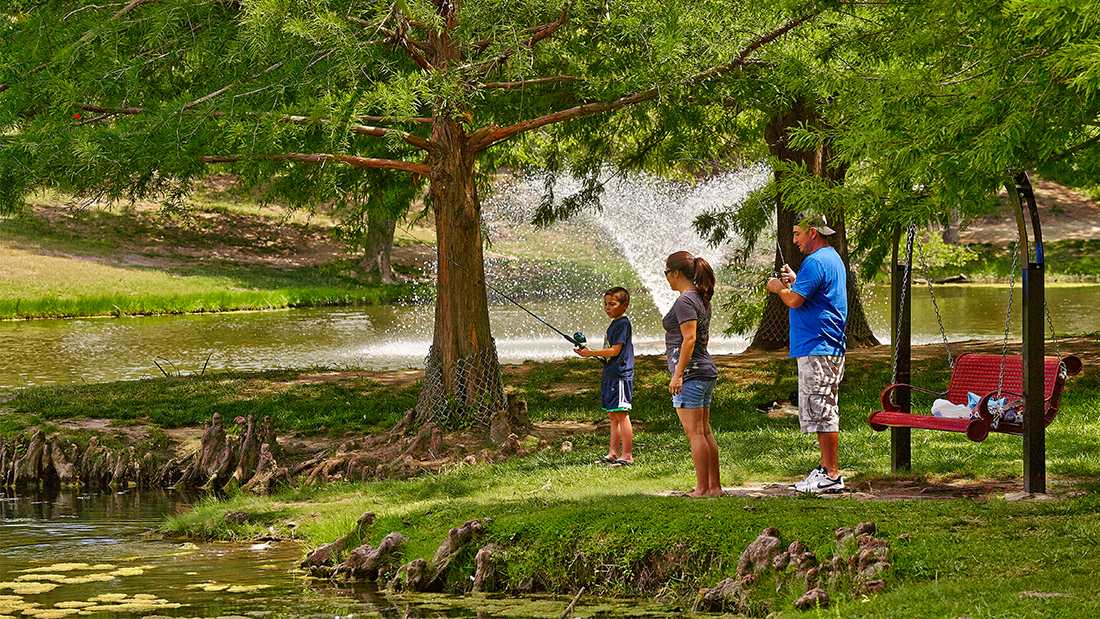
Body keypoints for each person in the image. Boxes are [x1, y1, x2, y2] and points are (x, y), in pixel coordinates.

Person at [765, 214, 848, 493]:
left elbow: (795, 300)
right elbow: (815, 294)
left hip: (819, 345)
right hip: (824, 345)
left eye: (798, 233)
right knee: (821, 407)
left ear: (813, 232)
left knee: (822, 410)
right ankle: (825, 470)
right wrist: (796, 280)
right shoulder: (830, 258)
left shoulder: (815, 261)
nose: (794, 240)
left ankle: (832, 475)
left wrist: (779, 288)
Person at [663, 251, 721, 497]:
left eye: (666, 273)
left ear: (676, 273)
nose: (666, 278)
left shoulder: (685, 301)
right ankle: (714, 488)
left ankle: (701, 489)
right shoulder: (699, 297)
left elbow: (690, 339)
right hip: (704, 371)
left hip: (692, 374)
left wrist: (677, 375)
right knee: (704, 431)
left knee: (695, 433)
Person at [575, 287, 635, 466]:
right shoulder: (614, 323)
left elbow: (616, 350)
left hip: (620, 375)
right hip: (610, 373)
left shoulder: (623, 323)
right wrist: (593, 353)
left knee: (622, 414)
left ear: (624, 306)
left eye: (612, 304)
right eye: (605, 304)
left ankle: (627, 456)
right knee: (612, 415)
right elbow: (610, 351)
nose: (607, 308)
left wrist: (591, 353)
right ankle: (613, 453)